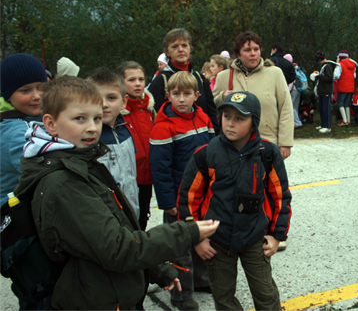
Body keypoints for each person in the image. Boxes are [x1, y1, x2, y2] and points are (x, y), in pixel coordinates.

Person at [14, 76, 219, 310]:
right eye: (79, 118)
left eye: (97, 118)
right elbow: (118, 248)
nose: (92, 127)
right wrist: (187, 231)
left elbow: (116, 227)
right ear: (50, 123)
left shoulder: (83, 161)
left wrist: (156, 268)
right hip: (97, 299)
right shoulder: (65, 183)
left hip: (111, 288)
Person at [178, 91, 292, 310]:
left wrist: (277, 235)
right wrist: (197, 238)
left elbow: (280, 196)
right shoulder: (205, 154)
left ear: (254, 122)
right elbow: (188, 200)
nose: (230, 123)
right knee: (223, 297)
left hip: (254, 238)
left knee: (266, 294)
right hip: (217, 241)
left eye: (240, 118)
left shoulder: (267, 153)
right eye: (226, 116)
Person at [149, 71, 215, 310]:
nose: (181, 99)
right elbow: (160, 170)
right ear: (167, 95)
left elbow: (212, 155)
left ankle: (201, 281)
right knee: (180, 249)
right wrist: (168, 202)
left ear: (197, 96)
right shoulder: (163, 127)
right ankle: (181, 294)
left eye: (187, 94)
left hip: (201, 197)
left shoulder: (203, 118)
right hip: (178, 198)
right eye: (175, 94)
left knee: (202, 238)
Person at [0, 53, 49, 309]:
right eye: (25, 90)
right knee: (39, 292)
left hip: (25, 220)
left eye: (41, 87)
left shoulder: (27, 121)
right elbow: (44, 171)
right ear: (8, 95)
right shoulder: (15, 131)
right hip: (19, 228)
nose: (36, 95)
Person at [212, 31, 293, 161]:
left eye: (256, 49)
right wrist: (221, 97)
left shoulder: (275, 73)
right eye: (247, 50)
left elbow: (286, 108)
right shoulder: (224, 76)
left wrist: (285, 142)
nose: (253, 53)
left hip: (268, 143)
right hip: (233, 147)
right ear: (238, 54)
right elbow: (211, 107)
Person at [86, 68, 140, 218]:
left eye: (111, 98)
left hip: (132, 210)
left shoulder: (126, 131)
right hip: (106, 218)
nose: (103, 104)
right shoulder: (87, 139)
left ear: (123, 102)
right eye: (97, 98)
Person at [148, 28, 219, 132]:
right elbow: (156, 120)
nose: (180, 49)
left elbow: (211, 112)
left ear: (190, 48)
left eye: (184, 45)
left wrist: (214, 138)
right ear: (167, 52)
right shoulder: (160, 82)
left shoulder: (200, 78)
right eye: (175, 46)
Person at [118, 61, 155, 231]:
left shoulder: (149, 109)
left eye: (141, 79)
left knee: (143, 216)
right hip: (128, 177)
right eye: (131, 79)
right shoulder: (117, 113)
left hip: (148, 175)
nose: (138, 83)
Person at [310, 51, 338, 133]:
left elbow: (329, 78)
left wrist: (319, 76)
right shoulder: (324, 66)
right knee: (322, 109)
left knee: (326, 109)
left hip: (326, 90)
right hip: (322, 90)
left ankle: (327, 126)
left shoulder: (328, 66)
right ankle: (323, 124)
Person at [337, 50, 357, 126]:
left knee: (341, 103)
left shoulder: (340, 64)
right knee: (347, 103)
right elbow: (354, 76)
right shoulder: (353, 64)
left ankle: (344, 121)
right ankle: (348, 120)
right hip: (351, 86)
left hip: (343, 86)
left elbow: (337, 75)